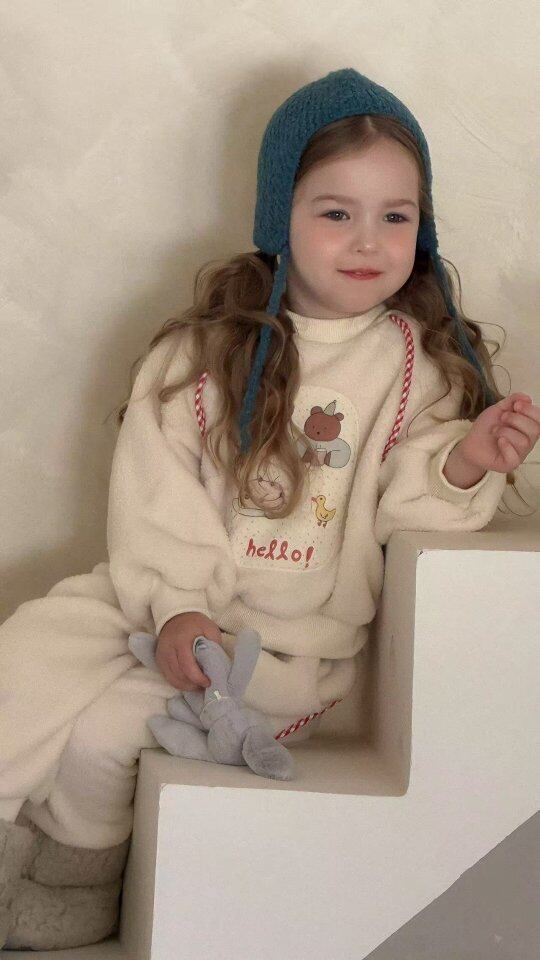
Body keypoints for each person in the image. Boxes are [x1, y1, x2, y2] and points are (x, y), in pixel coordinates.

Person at [1, 67, 538, 950]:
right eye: (336, 212)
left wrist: (466, 461)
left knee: (105, 733)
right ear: (278, 216)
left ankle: (72, 887)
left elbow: (407, 507)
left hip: (283, 648)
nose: (367, 240)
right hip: (160, 594)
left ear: (423, 227)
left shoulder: (417, 369)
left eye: (395, 217)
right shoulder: (205, 351)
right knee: (25, 654)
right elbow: (157, 489)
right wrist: (178, 604)